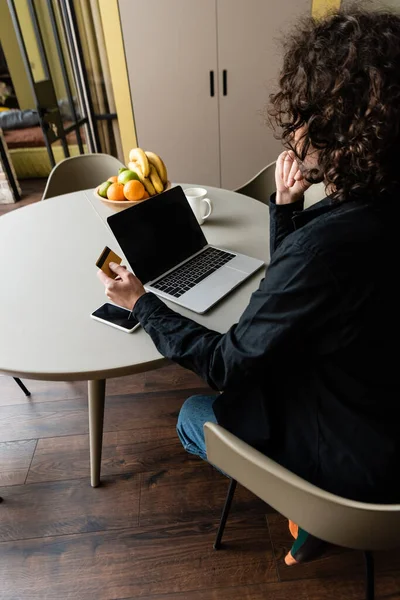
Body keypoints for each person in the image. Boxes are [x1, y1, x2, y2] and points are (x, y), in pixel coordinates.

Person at [97, 5, 400, 565]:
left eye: (306, 115)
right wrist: (286, 205)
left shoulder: (328, 245)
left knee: (193, 417)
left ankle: (313, 513)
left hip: (360, 475)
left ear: (339, 129)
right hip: (379, 407)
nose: (294, 128)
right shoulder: (369, 209)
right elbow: (311, 296)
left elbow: (227, 364)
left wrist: (144, 303)